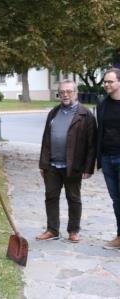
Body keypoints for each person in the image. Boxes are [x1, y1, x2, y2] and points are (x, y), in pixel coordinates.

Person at [37, 79, 97, 243]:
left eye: (68, 91)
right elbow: (46, 140)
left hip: (74, 166)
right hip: (52, 165)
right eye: (62, 92)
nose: (65, 95)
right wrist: (43, 164)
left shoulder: (85, 115)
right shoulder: (53, 113)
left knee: (74, 198)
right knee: (51, 197)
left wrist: (88, 167)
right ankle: (52, 229)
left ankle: (73, 230)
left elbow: (92, 145)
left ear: (76, 93)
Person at [97, 68, 120, 249]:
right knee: (116, 199)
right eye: (105, 81)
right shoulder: (102, 104)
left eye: (110, 81)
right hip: (107, 158)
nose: (106, 84)